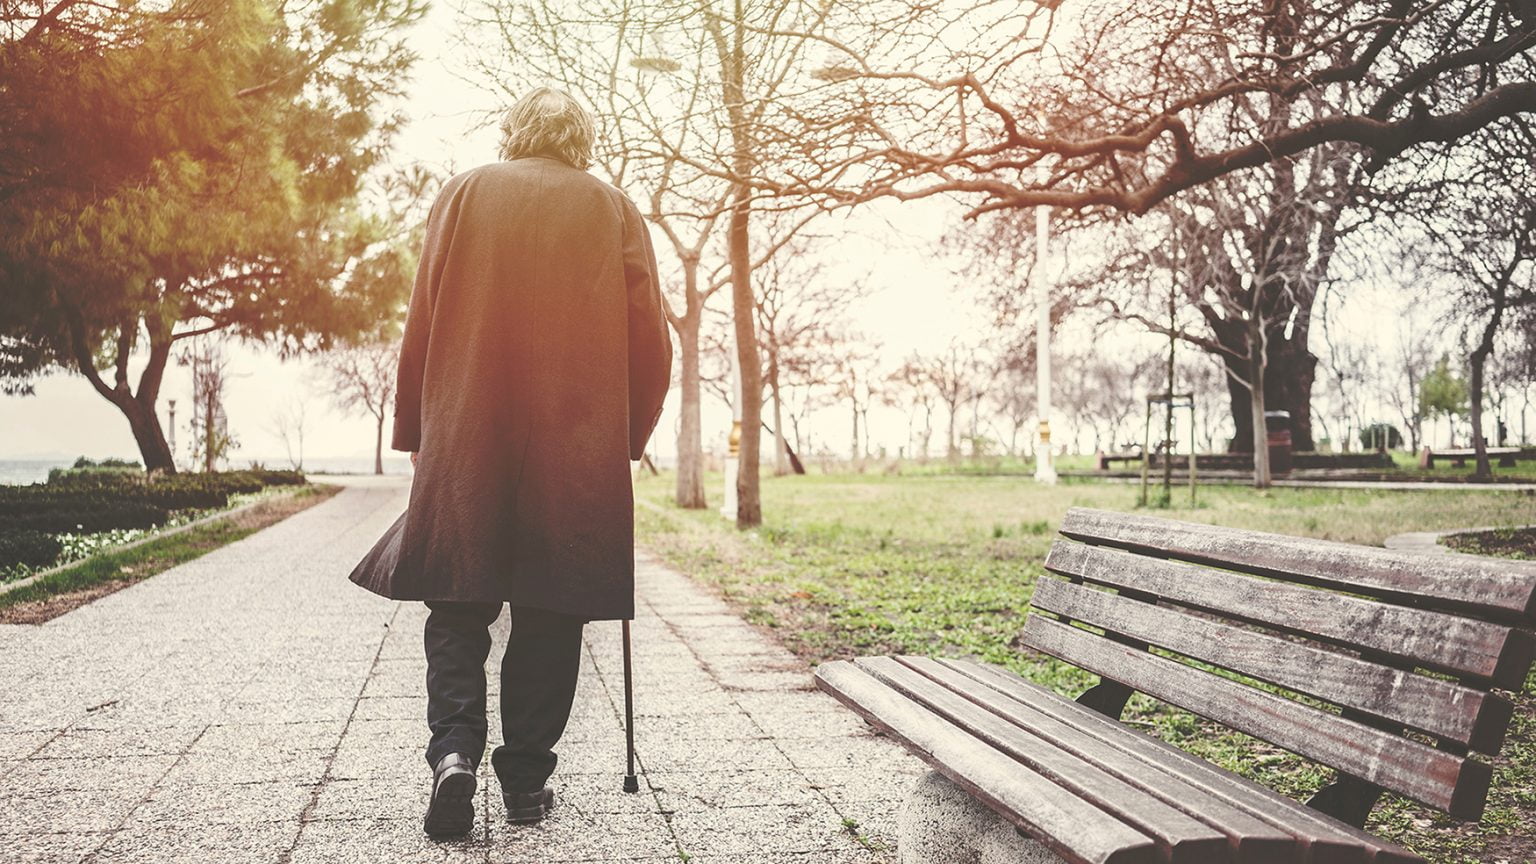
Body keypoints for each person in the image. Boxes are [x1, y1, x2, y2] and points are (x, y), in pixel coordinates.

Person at [347, 87, 672, 838]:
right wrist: (630, 432)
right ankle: (525, 782)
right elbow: (650, 337)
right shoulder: (612, 207)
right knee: (552, 610)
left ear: (513, 132)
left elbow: (423, 318)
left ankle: (454, 754)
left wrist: (418, 431)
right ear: (580, 138)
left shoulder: (462, 195)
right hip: (575, 445)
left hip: (469, 435)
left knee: (457, 604)